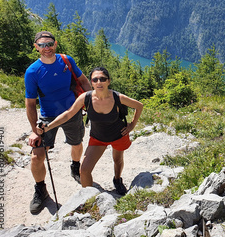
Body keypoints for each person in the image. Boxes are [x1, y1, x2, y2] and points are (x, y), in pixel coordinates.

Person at [37, 67, 143, 195]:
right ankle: (88, 199)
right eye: (95, 79)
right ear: (91, 83)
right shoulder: (85, 98)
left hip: (118, 135)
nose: (99, 82)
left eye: (102, 79)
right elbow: (68, 114)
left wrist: (132, 125)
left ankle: (117, 180)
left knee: (117, 160)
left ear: (108, 81)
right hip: (98, 138)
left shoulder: (117, 97)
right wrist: (48, 126)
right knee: (84, 170)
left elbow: (139, 106)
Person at [25, 31, 92, 214]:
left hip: (73, 111)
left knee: (77, 143)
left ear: (55, 44)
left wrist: (91, 102)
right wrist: (34, 130)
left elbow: (82, 80)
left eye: (49, 44)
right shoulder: (32, 72)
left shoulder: (66, 60)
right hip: (48, 118)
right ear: (36, 47)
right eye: (42, 45)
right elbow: (30, 104)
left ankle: (75, 167)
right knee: (37, 156)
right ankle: (41, 190)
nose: (46, 48)